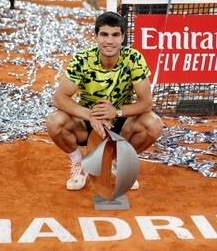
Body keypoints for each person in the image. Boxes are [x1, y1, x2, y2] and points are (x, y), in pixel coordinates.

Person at [46, 12, 163, 191]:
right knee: (54, 121)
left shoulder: (134, 59)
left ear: (123, 37)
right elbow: (59, 97)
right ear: (96, 36)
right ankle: (80, 164)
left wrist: (116, 111)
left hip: (122, 125)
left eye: (115, 35)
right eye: (104, 34)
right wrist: (91, 115)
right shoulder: (82, 59)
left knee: (154, 124)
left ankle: (120, 162)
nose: (110, 41)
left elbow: (146, 103)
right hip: (87, 124)